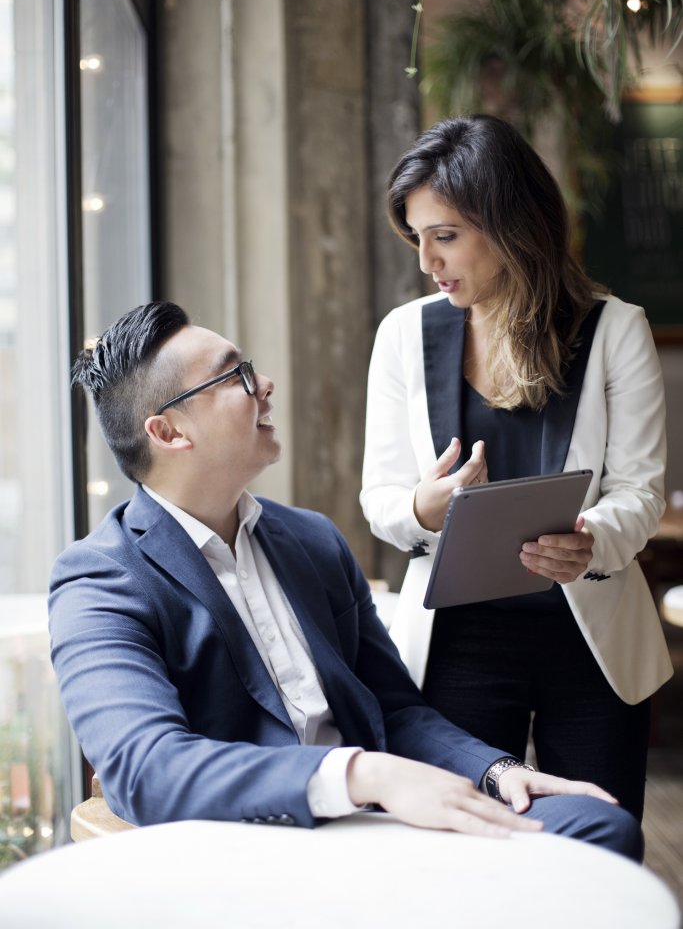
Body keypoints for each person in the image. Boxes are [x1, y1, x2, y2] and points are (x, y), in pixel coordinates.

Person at [48, 301, 641, 858]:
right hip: (257, 845)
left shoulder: (310, 539)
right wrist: (362, 774)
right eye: (237, 376)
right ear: (170, 433)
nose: (266, 385)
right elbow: (147, 768)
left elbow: (395, 710)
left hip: (378, 824)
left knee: (599, 826)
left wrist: (498, 771)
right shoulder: (100, 579)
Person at [360, 114, 673, 824]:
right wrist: (422, 507)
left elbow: (639, 492)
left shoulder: (613, 328)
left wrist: (589, 539)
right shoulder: (403, 336)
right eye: (417, 238)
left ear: (508, 223)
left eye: (444, 237)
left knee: (597, 837)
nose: (426, 263)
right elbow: (378, 496)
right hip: (457, 644)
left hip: (588, 641)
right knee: (464, 850)